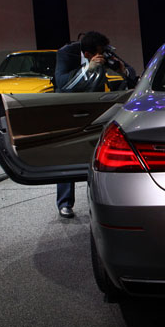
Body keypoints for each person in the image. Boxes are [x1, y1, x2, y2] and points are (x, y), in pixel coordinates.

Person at [54, 31, 136, 218]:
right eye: (99, 53)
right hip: (71, 109)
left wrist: (123, 71)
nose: (104, 55)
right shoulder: (66, 54)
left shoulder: (105, 52)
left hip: (96, 106)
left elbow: (131, 72)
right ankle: (65, 203)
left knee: (100, 154)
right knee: (68, 155)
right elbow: (62, 84)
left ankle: (103, 200)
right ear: (88, 54)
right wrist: (88, 69)